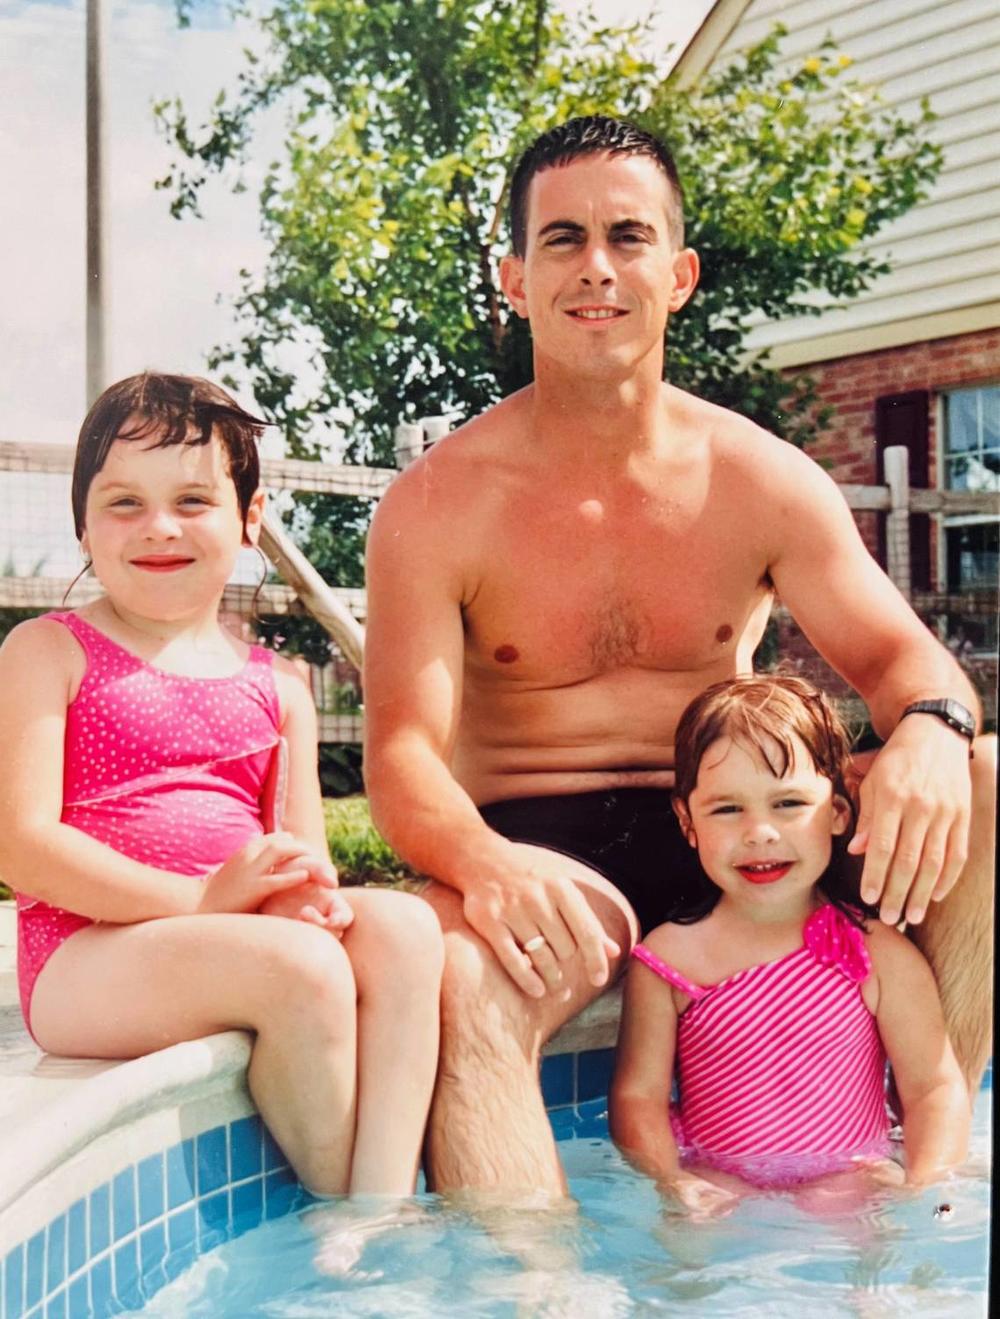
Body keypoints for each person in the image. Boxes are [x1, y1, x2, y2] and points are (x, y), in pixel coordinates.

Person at [362, 116, 995, 1196]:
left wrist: (932, 732)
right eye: (561, 240)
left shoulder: (759, 477)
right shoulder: (438, 505)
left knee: (987, 780)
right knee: (463, 976)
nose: (596, 267)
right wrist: (482, 862)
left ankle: (912, 1163)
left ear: (679, 270)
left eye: (627, 235)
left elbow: (906, 661)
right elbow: (403, 757)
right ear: (514, 278)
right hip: (542, 842)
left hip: (733, 817)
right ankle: (533, 1287)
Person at [0, 372, 444, 1198]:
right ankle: (342, 1206)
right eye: (124, 502)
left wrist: (301, 896)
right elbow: (24, 849)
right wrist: (204, 898)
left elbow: (303, 860)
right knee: (302, 969)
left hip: (226, 933)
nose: (158, 527)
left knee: (408, 931)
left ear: (250, 518)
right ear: (83, 527)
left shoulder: (279, 687)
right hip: (81, 957)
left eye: (193, 500)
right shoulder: (47, 651)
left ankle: (383, 1210)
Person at [609, 675, 969, 1213]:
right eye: (728, 810)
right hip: (718, 1181)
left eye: (789, 804)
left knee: (865, 1257)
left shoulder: (881, 956)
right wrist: (670, 1180)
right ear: (688, 822)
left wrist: (925, 1186)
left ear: (839, 814)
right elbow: (639, 1097)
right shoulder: (670, 961)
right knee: (689, 1257)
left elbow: (933, 1089)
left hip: (851, 1175)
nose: (760, 832)